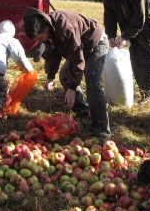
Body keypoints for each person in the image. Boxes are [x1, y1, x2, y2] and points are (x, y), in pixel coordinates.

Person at [23, 8, 111, 139]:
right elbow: (52, 54)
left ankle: (102, 130)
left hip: (96, 43)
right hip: (80, 47)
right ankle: (82, 110)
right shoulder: (47, 29)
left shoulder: (65, 29)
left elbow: (77, 58)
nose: (40, 41)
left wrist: (72, 88)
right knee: (64, 75)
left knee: (92, 82)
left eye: (40, 38)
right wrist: (50, 77)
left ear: (46, 28)